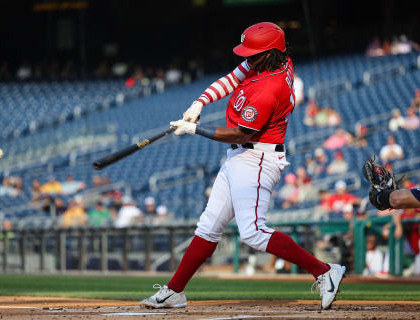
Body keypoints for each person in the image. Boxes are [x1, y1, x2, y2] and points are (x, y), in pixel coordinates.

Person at [140, 22, 345, 310]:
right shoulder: (272, 60)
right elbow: (230, 79)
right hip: (239, 158)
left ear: (270, 53)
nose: (247, 58)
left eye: (253, 53)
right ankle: (174, 291)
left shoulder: (269, 87)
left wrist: (193, 129)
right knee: (208, 226)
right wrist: (199, 103)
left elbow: (239, 132)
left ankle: (325, 271)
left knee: (252, 231)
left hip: (257, 158)